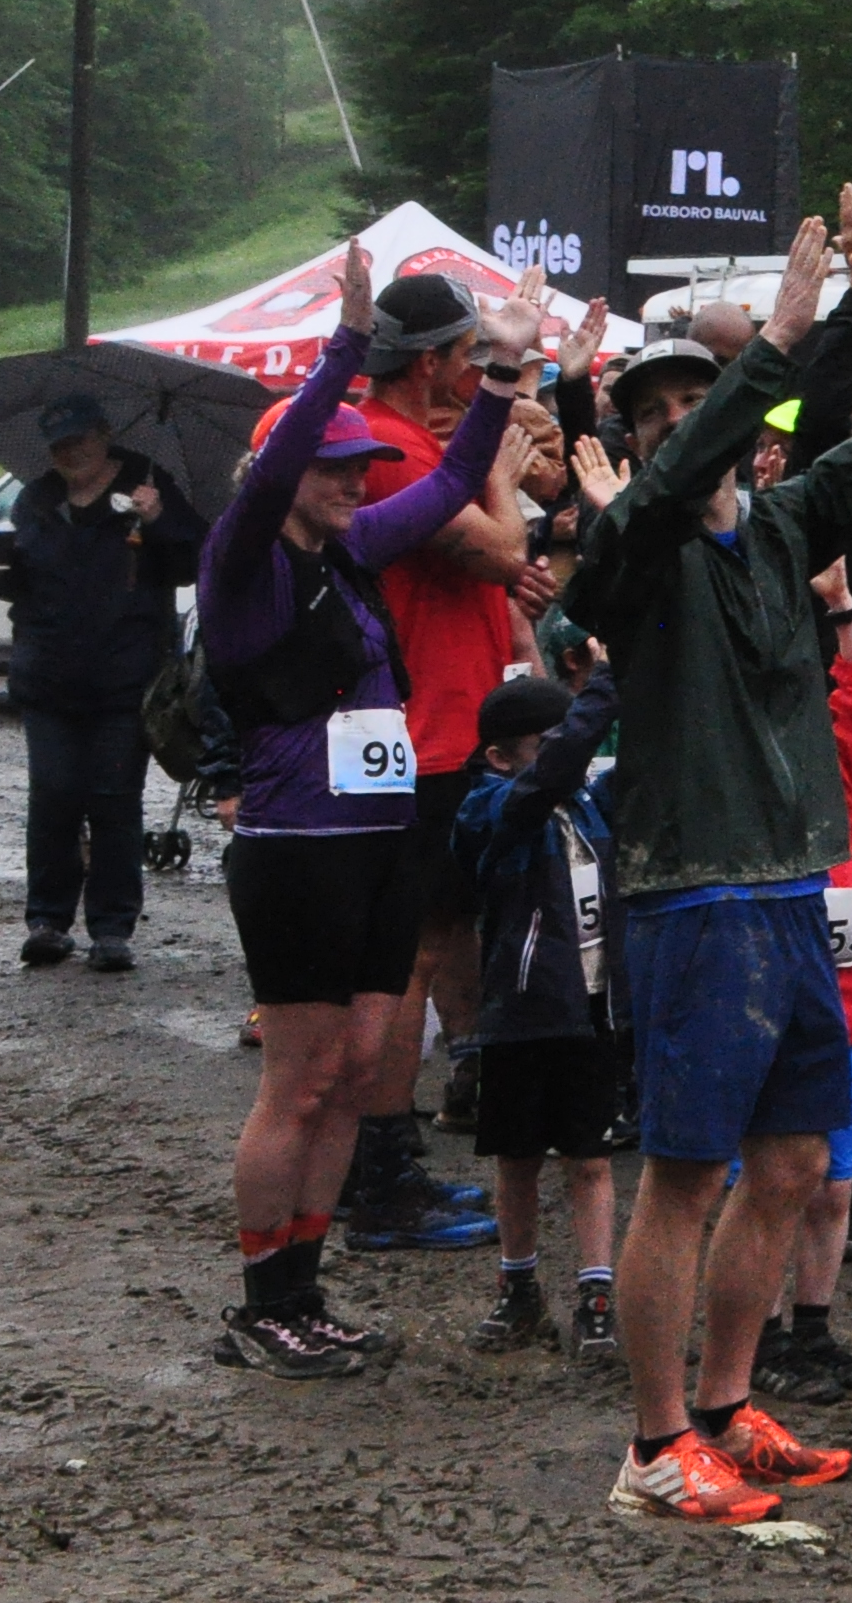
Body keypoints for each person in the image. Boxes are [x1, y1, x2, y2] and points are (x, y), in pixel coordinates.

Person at [563, 197, 852, 1525]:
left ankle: (727, 1406)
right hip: (695, 895)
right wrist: (792, 335)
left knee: (794, 1167)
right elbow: (676, 484)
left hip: (795, 886)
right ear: (632, 439)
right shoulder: (627, 547)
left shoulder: (786, 527)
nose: (686, 421)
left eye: (704, 398)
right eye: (661, 407)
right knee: (686, 1175)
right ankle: (653, 1445)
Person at [195, 244, 538, 1378]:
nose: (353, 478)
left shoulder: (352, 551)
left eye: (354, 463)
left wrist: (498, 379)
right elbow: (289, 453)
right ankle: (263, 1301)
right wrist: (344, 343)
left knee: (350, 1065)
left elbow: (444, 489)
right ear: (286, 475)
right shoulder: (246, 562)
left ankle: (307, 1283)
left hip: (381, 839)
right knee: (297, 1079)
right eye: (335, 466)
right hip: (299, 851)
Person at [342, 266, 549, 1249]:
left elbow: (504, 540)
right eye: (468, 354)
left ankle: (383, 1163)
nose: (475, 371)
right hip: (414, 742)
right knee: (404, 959)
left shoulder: (413, 438)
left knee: (422, 946)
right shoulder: (379, 446)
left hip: (439, 734)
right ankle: (380, 1176)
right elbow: (502, 547)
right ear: (429, 360)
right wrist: (504, 484)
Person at [750, 555, 852, 1407]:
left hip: (846, 1024)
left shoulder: (842, 783)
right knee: (771, 1187)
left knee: (835, 1185)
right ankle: (761, 1337)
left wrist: (844, 603)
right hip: (769, 1029)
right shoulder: (745, 803)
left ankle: (814, 1330)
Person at [0, 390, 202, 971]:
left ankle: (112, 928)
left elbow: (193, 561)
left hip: (125, 676)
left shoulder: (148, 488)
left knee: (114, 800)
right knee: (54, 797)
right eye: (58, 445)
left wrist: (159, 519)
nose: (68, 453)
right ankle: (47, 921)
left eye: (78, 440)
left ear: (104, 434)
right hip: (49, 675)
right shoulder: (36, 499)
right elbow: (20, 588)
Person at [452, 664, 624, 1361]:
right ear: (500, 755)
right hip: (523, 1011)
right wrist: (602, 689)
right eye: (549, 741)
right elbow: (545, 780)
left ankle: (597, 1294)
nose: (570, 753)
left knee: (591, 1157)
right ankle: (518, 1287)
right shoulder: (490, 808)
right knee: (517, 1156)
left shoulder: (588, 803)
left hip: (592, 1009)